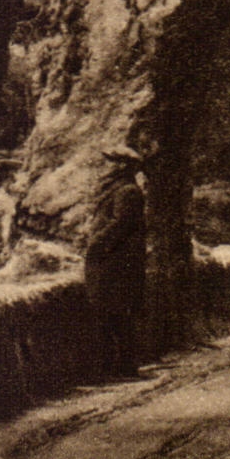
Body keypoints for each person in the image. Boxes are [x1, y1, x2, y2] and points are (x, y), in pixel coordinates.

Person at [84, 149, 147, 378]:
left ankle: (123, 366)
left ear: (121, 166)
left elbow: (121, 224)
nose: (105, 167)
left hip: (117, 263)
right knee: (109, 312)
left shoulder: (127, 191)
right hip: (110, 260)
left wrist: (96, 244)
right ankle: (115, 366)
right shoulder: (115, 188)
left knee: (117, 313)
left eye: (110, 162)